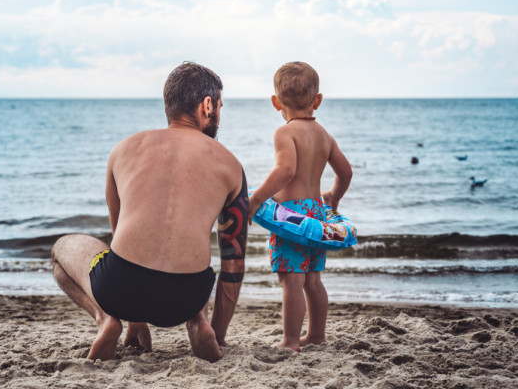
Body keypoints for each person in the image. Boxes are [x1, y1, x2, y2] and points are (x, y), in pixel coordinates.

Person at [51, 62, 248, 362]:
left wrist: (134, 318)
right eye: (219, 107)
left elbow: (121, 238)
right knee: (197, 257)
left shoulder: (123, 149)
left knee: (61, 249)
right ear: (207, 106)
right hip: (186, 298)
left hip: (120, 289)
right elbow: (233, 264)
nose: (219, 115)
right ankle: (200, 324)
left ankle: (107, 319)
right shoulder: (231, 165)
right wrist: (218, 335)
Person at [247, 61, 352, 352]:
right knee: (313, 280)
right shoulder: (324, 136)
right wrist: (332, 197)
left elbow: (286, 170)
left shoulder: (285, 132)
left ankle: (291, 340)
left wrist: (255, 200)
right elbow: (346, 173)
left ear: (275, 102)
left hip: (291, 217)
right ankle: (317, 335)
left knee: (291, 280)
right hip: (316, 215)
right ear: (317, 101)